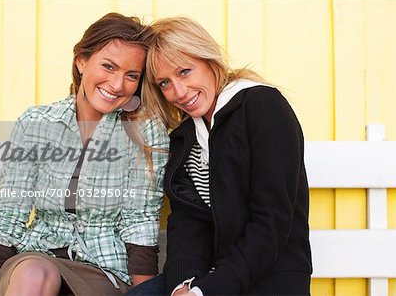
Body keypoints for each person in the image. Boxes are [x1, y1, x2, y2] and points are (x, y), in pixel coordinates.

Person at [0, 12, 169, 296]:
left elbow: (139, 221)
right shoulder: (36, 123)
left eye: (131, 76)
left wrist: (146, 293)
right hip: (35, 259)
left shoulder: (143, 132)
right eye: (108, 66)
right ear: (81, 61)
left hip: (103, 270)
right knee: (34, 273)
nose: (117, 85)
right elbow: (8, 217)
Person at [131, 16, 312, 296]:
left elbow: (272, 220)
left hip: (269, 275)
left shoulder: (263, 107)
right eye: (164, 83)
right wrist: (184, 284)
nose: (178, 92)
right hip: (209, 278)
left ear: (209, 60)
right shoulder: (185, 137)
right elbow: (188, 223)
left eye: (184, 72)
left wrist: (208, 290)